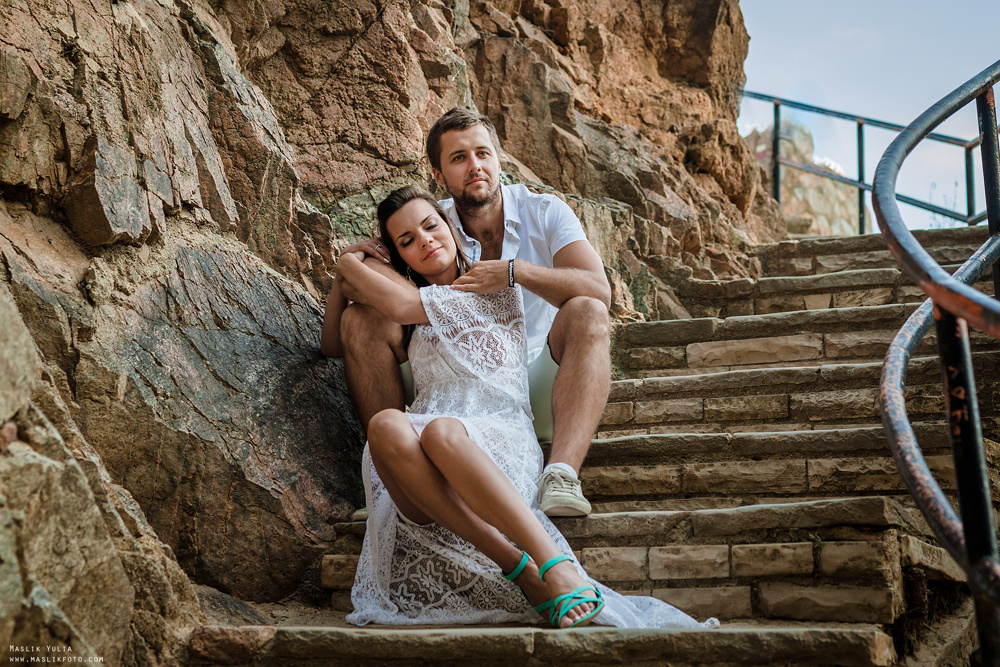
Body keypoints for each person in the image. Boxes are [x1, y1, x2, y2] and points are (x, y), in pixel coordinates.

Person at [325, 185, 716, 630]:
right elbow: (332, 343)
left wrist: (347, 261)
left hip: (496, 432)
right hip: (423, 461)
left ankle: (552, 565)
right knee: (387, 426)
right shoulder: (412, 313)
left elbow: (398, 301)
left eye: (431, 226)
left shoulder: (487, 282)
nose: (425, 240)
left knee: (441, 432)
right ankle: (520, 567)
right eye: (407, 241)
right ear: (399, 257)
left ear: (451, 227)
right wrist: (346, 276)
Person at [322, 107, 609, 517]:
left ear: (498, 158)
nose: (475, 166)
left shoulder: (545, 211)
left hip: (544, 374)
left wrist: (514, 273)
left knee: (589, 310)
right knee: (361, 319)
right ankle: (390, 480)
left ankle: (561, 473)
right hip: (451, 384)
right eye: (458, 158)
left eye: (482, 153)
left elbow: (600, 291)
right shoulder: (429, 223)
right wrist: (346, 269)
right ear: (438, 174)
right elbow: (363, 308)